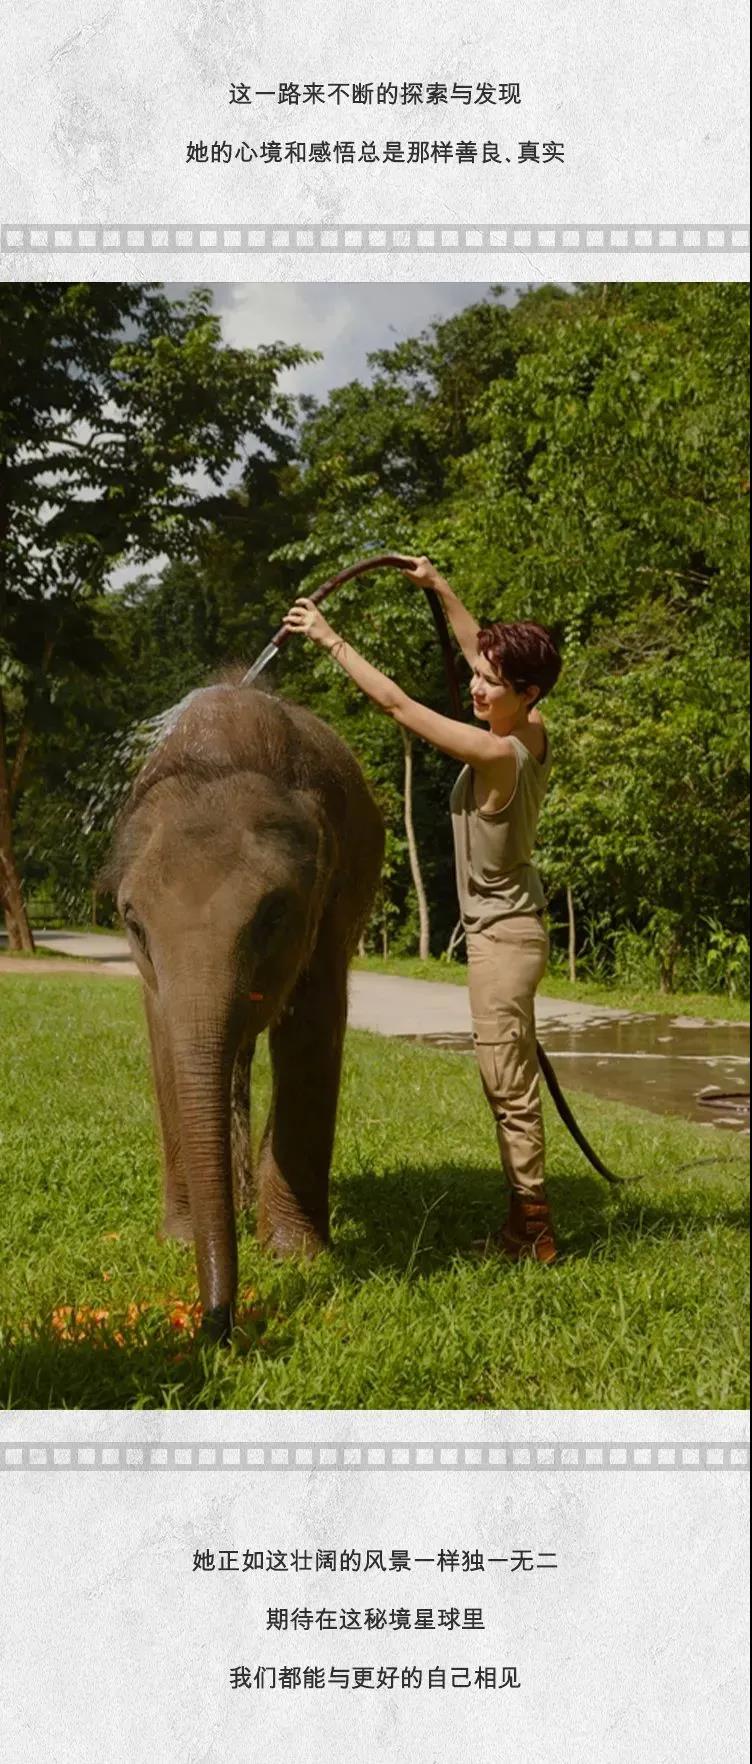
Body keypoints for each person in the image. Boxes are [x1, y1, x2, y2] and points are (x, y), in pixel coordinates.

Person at [283, 555, 563, 1262]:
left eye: (490, 682)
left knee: (508, 1088)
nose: (475, 684)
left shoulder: (499, 755)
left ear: (525, 693)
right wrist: (440, 586)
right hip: (518, 929)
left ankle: (532, 1230)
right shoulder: (533, 728)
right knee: (508, 1078)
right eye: (478, 674)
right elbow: (478, 650)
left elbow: (400, 708)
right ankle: (527, 1221)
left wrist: (329, 638)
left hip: (501, 941)